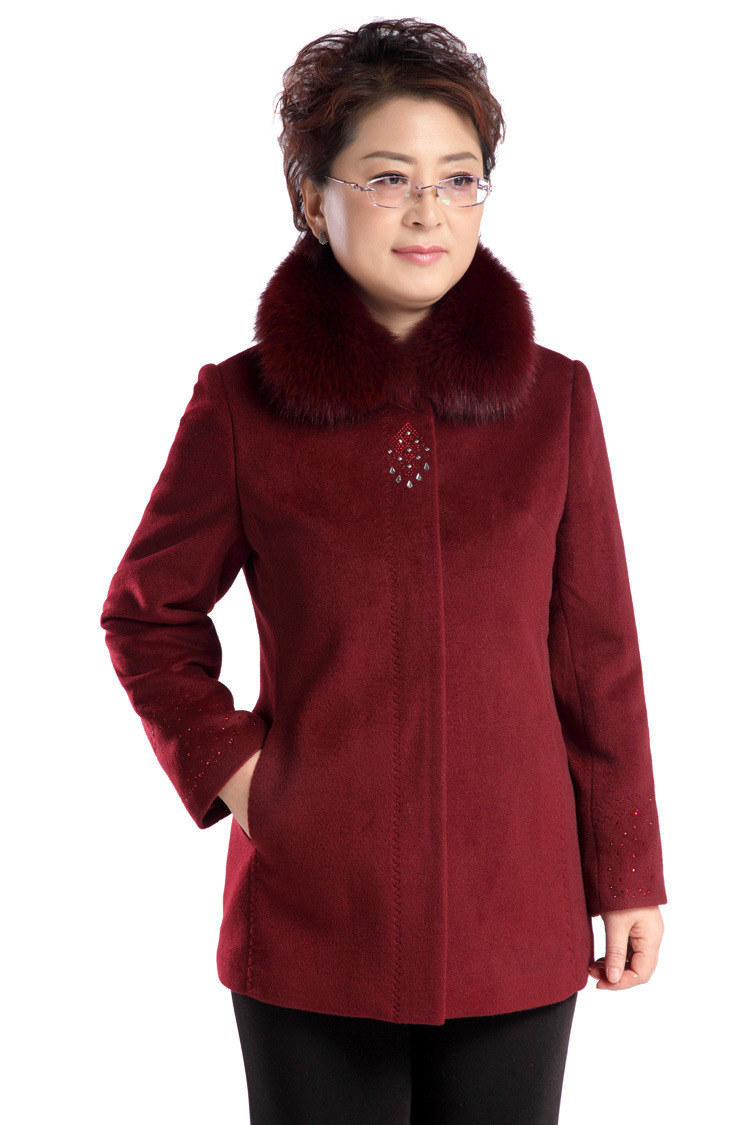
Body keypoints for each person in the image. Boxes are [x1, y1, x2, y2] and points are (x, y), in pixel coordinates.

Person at [100, 18, 667, 1125]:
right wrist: (245, 776)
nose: (428, 211)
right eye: (390, 177)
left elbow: (597, 657)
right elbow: (145, 617)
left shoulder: (554, 401)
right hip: (313, 913)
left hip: (517, 908)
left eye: (459, 179)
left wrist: (629, 871)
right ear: (316, 200)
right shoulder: (241, 404)